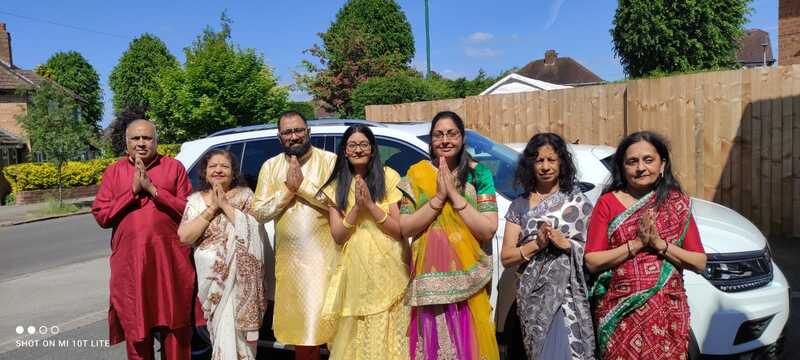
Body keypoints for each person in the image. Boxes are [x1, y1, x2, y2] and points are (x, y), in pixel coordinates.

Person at [585, 131, 707, 359]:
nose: (640, 167)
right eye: (632, 161)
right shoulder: (607, 203)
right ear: (622, 168)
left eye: (648, 160)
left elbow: (699, 262)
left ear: (663, 165)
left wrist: (659, 244)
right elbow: (592, 261)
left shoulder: (676, 203)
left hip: (667, 313)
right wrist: (637, 243)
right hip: (619, 313)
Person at [399, 111, 500, 360]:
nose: (445, 140)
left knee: (468, 350)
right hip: (428, 284)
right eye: (438, 134)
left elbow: (488, 229)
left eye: (452, 133)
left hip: (468, 280)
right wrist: (437, 198)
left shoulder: (479, 174)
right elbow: (406, 227)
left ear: (462, 138)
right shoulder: (416, 173)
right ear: (431, 140)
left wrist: (453, 196)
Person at [91, 119, 195, 360]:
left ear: (156, 141)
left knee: (176, 331)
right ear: (126, 143)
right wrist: (133, 192)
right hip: (132, 266)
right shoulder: (114, 172)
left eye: (146, 138)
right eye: (135, 138)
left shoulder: (174, 168)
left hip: (170, 265)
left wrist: (154, 191)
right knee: (138, 334)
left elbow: (189, 210)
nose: (141, 143)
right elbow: (102, 215)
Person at [316, 125, 410, 360]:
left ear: (372, 149)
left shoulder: (389, 177)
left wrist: (370, 205)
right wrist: (357, 208)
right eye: (352, 145)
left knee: (390, 328)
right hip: (354, 271)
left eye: (363, 144)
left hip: (389, 267)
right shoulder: (335, 185)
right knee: (357, 332)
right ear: (345, 151)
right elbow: (338, 235)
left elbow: (399, 230)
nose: (358, 149)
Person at [250, 111, 337, 360]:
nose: (294, 136)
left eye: (298, 130)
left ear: (308, 132)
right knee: (303, 337)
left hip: (327, 262)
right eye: (288, 132)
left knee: (335, 333)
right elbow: (259, 211)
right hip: (292, 266)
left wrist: (304, 188)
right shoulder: (271, 166)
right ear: (279, 137)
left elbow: (338, 202)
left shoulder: (329, 161)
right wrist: (288, 192)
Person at [500, 133, 596, 360]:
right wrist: (537, 244)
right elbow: (506, 257)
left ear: (561, 162)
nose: (545, 166)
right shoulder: (519, 205)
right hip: (533, 298)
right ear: (530, 164)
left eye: (551, 160)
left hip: (568, 296)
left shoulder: (578, 202)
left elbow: (593, 253)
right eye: (539, 160)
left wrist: (567, 245)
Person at [177, 149, 266, 359]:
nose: (218, 170)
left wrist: (225, 205)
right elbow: (185, 236)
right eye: (213, 166)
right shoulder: (195, 201)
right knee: (219, 336)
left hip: (239, 284)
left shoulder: (245, 196)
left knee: (239, 344)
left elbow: (254, 231)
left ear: (233, 172)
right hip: (212, 285)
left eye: (224, 166)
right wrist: (211, 209)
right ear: (205, 172)